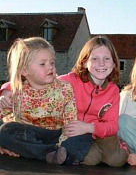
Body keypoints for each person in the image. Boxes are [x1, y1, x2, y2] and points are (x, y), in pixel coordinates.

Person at [0, 37, 92, 165]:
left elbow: (70, 120)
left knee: (83, 134)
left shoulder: (64, 88)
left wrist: (64, 142)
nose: (50, 67)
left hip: (57, 135)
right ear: (24, 70)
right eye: (43, 64)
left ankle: (61, 153)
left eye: (52, 62)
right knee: (6, 130)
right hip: (30, 137)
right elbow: (4, 116)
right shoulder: (16, 92)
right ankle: (50, 154)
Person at [58, 35, 128, 167]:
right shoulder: (71, 80)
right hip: (77, 135)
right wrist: (7, 89)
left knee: (117, 160)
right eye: (94, 59)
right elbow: (43, 81)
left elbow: (112, 126)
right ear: (85, 62)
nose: (101, 64)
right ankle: (95, 152)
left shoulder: (113, 91)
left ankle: (123, 146)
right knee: (90, 160)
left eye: (106, 59)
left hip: (100, 132)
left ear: (113, 63)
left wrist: (90, 128)